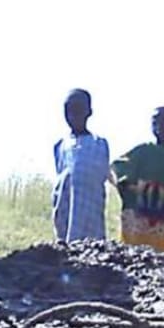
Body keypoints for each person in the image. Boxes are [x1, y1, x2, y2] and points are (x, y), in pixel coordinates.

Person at [111, 107, 164, 255]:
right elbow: (117, 171)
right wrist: (127, 192)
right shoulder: (141, 152)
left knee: (163, 264)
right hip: (137, 223)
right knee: (135, 262)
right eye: (155, 121)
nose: (159, 125)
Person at [52, 89, 109, 242]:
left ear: (89, 111)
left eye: (78, 109)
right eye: (68, 109)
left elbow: (101, 178)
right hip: (66, 219)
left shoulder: (100, 144)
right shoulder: (60, 146)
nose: (73, 114)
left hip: (92, 221)